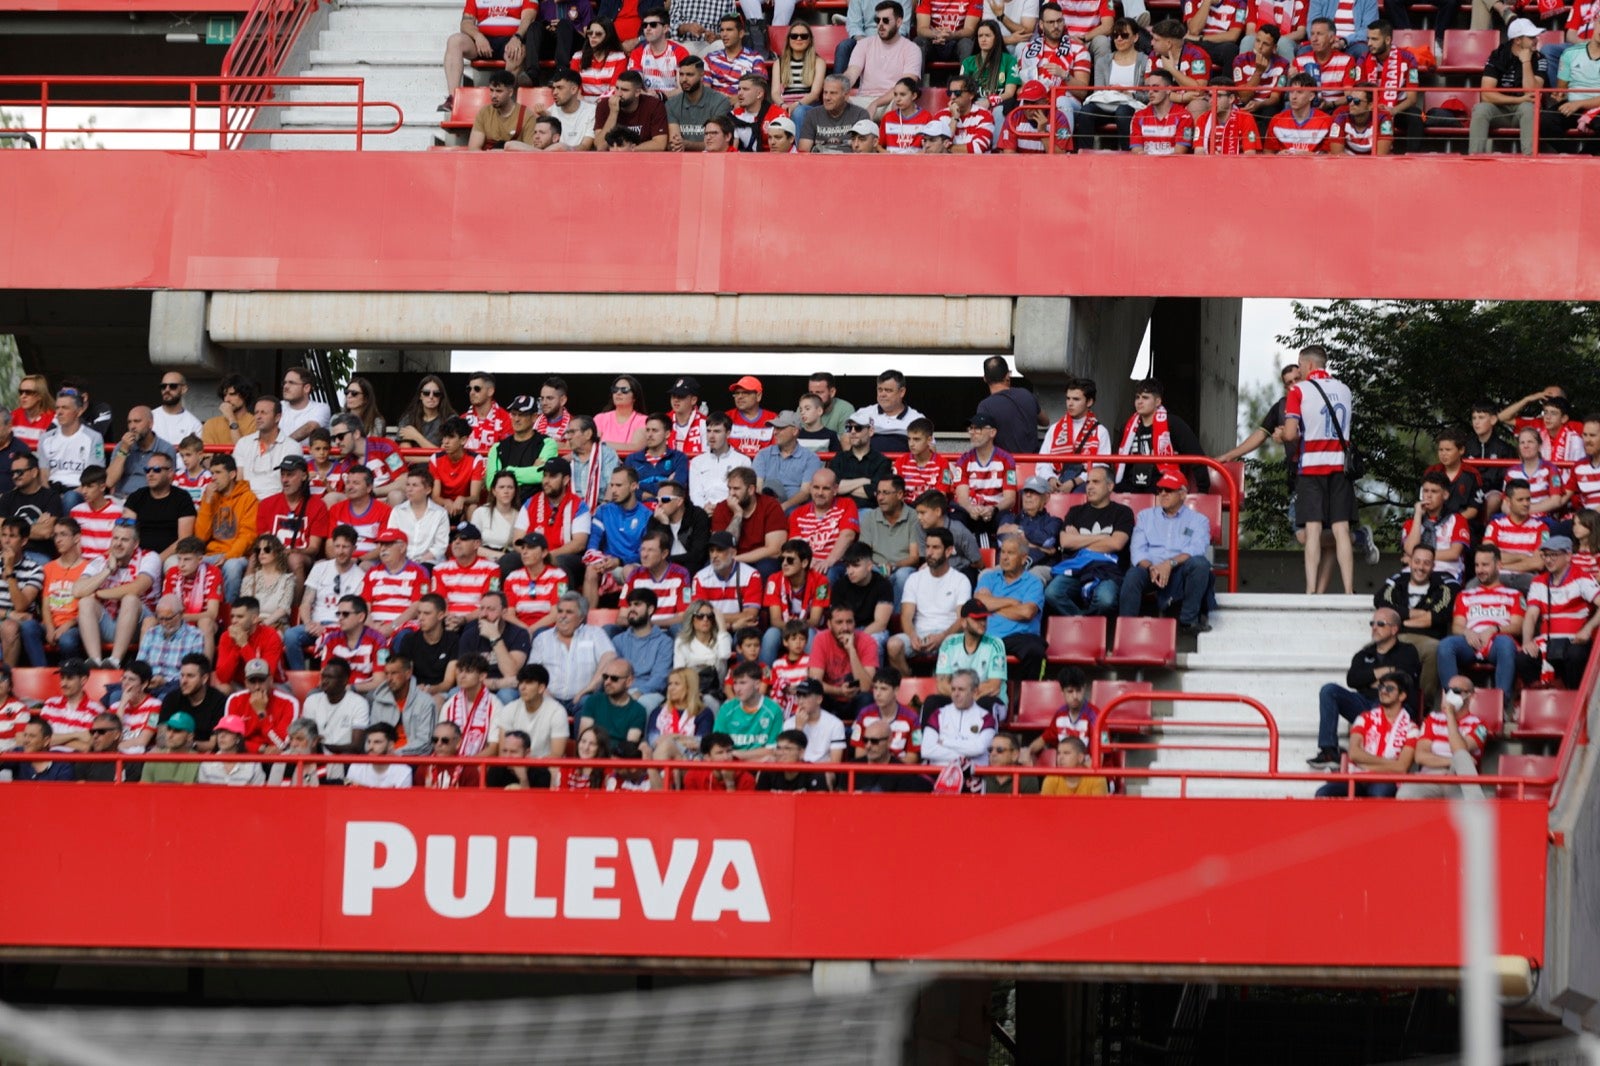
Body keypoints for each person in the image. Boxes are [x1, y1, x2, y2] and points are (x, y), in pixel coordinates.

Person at [1280, 345, 1357, 596]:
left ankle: (1311, 591)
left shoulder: (1298, 390)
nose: (1300, 371)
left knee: (1312, 530)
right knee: (1341, 529)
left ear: (1309, 365)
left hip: (1312, 467)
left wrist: (1283, 435)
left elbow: (1290, 433)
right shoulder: (1344, 389)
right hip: (1340, 466)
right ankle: (1348, 590)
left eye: (1301, 365)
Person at [1308, 606, 1421, 769]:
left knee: (1382, 700)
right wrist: (1386, 671)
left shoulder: (1407, 651)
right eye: (1372, 623)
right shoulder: (1364, 653)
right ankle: (1329, 751)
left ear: (1394, 629)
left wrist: (1370, 680)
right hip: (1364, 703)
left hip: (1394, 706)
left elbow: (1405, 678)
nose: (1374, 627)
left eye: (1380, 624)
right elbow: (1352, 679)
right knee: (1329, 690)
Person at [71, 519, 160, 668]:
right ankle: (95, 660)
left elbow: (137, 588)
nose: (118, 543)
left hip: (140, 624)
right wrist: (107, 570)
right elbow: (77, 590)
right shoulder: (101, 561)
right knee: (85, 602)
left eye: (124, 540)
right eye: (115, 538)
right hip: (110, 623)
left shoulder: (149, 557)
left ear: (135, 544)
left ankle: (115, 661)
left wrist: (98, 594)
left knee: (130, 599)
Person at [1373, 543, 1453, 707]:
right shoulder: (1397, 583)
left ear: (1433, 566)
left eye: (1426, 563)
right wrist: (1418, 614)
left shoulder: (1442, 586)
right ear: (1410, 562)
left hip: (1426, 639)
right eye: (1417, 561)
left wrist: (1401, 618)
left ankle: (1422, 704)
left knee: (1435, 649)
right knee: (1372, 649)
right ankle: (1378, 702)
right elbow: (1381, 603)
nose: (1420, 567)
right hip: (1397, 637)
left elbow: (1439, 616)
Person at [1046, 467, 1133, 618]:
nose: (1090, 486)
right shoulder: (1075, 511)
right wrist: (1103, 538)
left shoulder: (1123, 512)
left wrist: (1079, 539)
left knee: (1105, 600)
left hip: (1107, 572)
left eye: (1096, 482)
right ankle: (1083, 620)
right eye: (1088, 482)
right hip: (1076, 570)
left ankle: (1086, 623)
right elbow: (1065, 541)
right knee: (1052, 593)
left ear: (1110, 486)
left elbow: (1116, 544)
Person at [1314, 672, 1415, 798]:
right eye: (1381, 687)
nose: (1383, 691)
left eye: (1389, 688)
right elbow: (1354, 753)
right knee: (1323, 792)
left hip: (1386, 780)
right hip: (1358, 778)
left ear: (1402, 696)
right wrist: (1389, 763)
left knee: (1379, 793)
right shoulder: (1363, 718)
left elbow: (1401, 767)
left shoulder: (1411, 728)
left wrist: (1366, 764)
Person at [1519, 535, 1600, 690]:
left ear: (1568, 556)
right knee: (1524, 657)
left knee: (1575, 655)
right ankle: (1541, 693)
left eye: (1553, 555)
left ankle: (1573, 694)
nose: (1548, 560)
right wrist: (1527, 642)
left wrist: (1587, 629)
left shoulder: (1582, 578)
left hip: (1575, 640)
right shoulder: (1538, 582)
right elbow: (1531, 615)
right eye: (1545, 555)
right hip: (1548, 641)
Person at [1468, 18, 1554, 156]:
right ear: (1517, 40)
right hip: (1500, 110)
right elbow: (1486, 95)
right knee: (1481, 109)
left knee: (1528, 107)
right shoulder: (1497, 56)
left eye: (1535, 37)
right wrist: (1519, 99)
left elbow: (1532, 93)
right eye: (1531, 37)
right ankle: (1475, 158)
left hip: (1524, 111)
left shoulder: (1540, 58)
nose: (1536, 40)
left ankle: (1530, 158)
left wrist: (1526, 61)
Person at [1397, 676, 1488, 800]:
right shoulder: (1433, 718)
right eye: (1447, 690)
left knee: (1462, 757)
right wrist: (1452, 761)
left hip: (1458, 778)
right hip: (1431, 775)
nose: (1450, 695)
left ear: (1471, 696)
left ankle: (1476, 803)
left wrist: (1450, 714)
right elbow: (1420, 756)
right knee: (1404, 794)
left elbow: (1460, 751)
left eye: (1456, 691)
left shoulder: (1480, 725)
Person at [530, 592, 619, 707]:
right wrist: (546, 696)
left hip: (583, 697)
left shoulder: (595, 634)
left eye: (569, 612)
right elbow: (532, 671)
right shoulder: (542, 638)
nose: (563, 616)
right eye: (560, 611)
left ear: (581, 618)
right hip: (547, 698)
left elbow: (610, 657)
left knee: (589, 703)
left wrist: (589, 688)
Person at [255, 455, 331, 584]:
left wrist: (292, 551)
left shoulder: (318, 506)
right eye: (282, 475)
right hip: (273, 554)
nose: (284, 480)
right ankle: (247, 597)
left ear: (304, 476)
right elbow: (264, 542)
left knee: (294, 559)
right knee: (253, 559)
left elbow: (314, 548)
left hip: (303, 557)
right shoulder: (266, 504)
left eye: (290, 475)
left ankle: (296, 598)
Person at [583, 466, 653, 604]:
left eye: (619, 485)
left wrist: (620, 561)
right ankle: (588, 616)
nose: (613, 490)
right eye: (612, 485)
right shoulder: (603, 511)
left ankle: (629, 614)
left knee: (629, 571)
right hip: (606, 564)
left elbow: (645, 554)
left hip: (631, 565)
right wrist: (598, 560)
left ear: (633, 486)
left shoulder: (647, 516)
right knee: (591, 570)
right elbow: (593, 543)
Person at [194, 453, 258, 603]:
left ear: (232, 474)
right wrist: (207, 502)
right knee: (185, 562)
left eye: (218, 472)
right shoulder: (210, 496)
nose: (213, 478)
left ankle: (230, 611)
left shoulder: (248, 498)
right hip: (211, 553)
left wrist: (229, 556)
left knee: (232, 566)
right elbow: (201, 537)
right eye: (212, 473)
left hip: (238, 555)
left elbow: (247, 535)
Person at [928, 600, 1008, 715]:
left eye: (984, 618)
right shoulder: (949, 644)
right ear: (963, 622)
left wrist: (962, 694)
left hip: (988, 700)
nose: (983, 623)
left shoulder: (996, 644)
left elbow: (993, 686)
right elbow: (942, 685)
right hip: (959, 698)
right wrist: (966, 696)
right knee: (932, 702)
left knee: (985, 703)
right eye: (977, 619)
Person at [758, 537, 830, 663]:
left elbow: (814, 620)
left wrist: (797, 626)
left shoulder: (821, 582)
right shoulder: (774, 579)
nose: (784, 563)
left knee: (810, 634)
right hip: (784, 628)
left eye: (790, 560)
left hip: (809, 629)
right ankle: (765, 673)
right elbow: (775, 620)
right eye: (782, 559)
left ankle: (812, 674)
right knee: (771, 634)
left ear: (804, 563)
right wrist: (791, 627)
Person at [845, 2, 924, 112]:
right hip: (864, 100)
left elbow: (906, 86)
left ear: (899, 22)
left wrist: (876, 103)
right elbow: (851, 73)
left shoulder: (912, 49)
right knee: (839, 101)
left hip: (892, 100)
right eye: (877, 20)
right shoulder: (863, 44)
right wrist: (839, 87)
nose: (880, 24)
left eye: (885, 20)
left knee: (901, 101)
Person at [457, 590, 534, 703]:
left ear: (504, 613)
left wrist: (494, 637)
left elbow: (511, 673)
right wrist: (498, 683)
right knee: (454, 693)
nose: (484, 614)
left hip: (506, 689)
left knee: (506, 695)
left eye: (491, 609)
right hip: (480, 686)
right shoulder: (469, 635)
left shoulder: (519, 634)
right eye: (482, 609)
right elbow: (462, 679)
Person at [713, 466, 787, 578]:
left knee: (767, 567)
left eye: (736, 489)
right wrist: (737, 514)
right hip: (730, 558)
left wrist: (735, 560)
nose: (731, 493)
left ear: (751, 489)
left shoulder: (771, 506)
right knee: (712, 566)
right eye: (729, 488)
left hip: (760, 560)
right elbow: (722, 547)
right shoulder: (722, 508)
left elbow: (775, 550)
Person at [788, 469, 860, 584]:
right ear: (810, 488)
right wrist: (807, 559)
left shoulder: (847, 504)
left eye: (826, 488)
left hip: (836, 565)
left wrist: (829, 561)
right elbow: (795, 545)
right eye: (816, 487)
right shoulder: (797, 513)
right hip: (806, 563)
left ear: (835, 490)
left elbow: (848, 536)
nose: (820, 493)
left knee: (830, 572)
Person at [37, 387, 104, 508]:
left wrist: (66, 496)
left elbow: (93, 476)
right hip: (52, 490)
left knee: (70, 498)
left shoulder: (94, 438)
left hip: (80, 491)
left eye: (65, 408)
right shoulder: (45, 438)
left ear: (79, 411)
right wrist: (52, 496)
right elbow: (43, 476)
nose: (59, 412)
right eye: (57, 408)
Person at [485, 662, 570, 757]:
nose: (522, 687)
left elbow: (556, 755)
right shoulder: (509, 709)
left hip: (545, 765)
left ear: (541, 688)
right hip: (513, 764)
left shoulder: (557, 712)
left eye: (528, 682)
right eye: (521, 682)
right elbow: (503, 752)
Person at [610, 587, 675, 709]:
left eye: (637, 604)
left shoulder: (664, 642)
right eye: (630, 605)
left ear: (650, 610)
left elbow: (660, 678)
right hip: (621, 691)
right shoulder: (618, 641)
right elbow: (613, 673)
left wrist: (639, 692)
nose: (631, 609)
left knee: (639, 706)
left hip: (649, 693)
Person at [1402, 472, 1471, 587]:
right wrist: (1418, 515)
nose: (1428, 496)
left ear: (1445, 495)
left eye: (1434, 491)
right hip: (1415, 573)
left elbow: (1454, 553)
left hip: (1446, 573)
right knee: (1393, 585)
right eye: (1425, 491)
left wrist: (1418, 557)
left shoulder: (1457, 520)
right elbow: (1410, 550)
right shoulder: (1412, 523)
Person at [922, 668, 998, 771]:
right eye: (953, 689)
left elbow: (979, 748)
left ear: (974, 692)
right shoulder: (939, 714)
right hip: (939, 773)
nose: (956, 694)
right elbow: (926, 750)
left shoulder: (986, 717)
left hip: (973, 775)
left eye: (961, 689)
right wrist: (964, 757)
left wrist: (944, 742)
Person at [232, 396, 304, 503]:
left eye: (263, 413)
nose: (258, 417)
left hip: (277, 503)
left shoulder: (292, 446)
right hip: (246, 503)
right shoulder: (243, 443)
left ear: (277, 417)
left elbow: (291, 485)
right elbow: (239, 479)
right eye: (256, 413)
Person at [316, 594, 391, 694]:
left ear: (361, 617)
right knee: (313, 694)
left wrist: (350, 688)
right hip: (336, 693)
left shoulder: (380, 641)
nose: (340, 618)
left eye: (345, 614)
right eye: (338, 614)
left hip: (365, 692)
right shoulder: (331, 639)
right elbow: (325, 676)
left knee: (376, 696)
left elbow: (380, 681)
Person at [364, 656, 438, 757]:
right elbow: (372, 736)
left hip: (414, 758)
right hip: (382, 756)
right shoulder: (378, 701)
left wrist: (397, 754)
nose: (389, 679)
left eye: (394, 673)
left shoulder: (426, 702)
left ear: (408, 674)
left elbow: (426, 743)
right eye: (386, 674)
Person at [222, 657, 297, 753]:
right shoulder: (235, 700)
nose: (257, 687)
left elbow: (281, 745)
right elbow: (230, 741)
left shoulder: (289, 702)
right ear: (245, 683)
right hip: (243, 754)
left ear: (270, 680)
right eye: (252, 681)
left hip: (275, 757)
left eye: (261, 680)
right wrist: (260, 749)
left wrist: (261, 714)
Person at [395, 594, 460, 704]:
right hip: (413, 690)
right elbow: (404, 674)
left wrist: (430, 689)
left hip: (441, 692)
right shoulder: (409, 640)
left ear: (441, 615)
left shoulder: (453, 640)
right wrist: (415, 689)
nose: (420, 618)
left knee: (436, 701)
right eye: (419, 613)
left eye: (427, 613)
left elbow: (448, 682)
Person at [1026, 665, 1099, 762]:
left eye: (1078, 690)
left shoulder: (1095, 716)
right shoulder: (1060, 714)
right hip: (1066, 769)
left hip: (1089, 769)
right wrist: (1028, 751)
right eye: (1070, 691)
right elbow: (1044, 739)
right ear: (1062, 691)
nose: (1075, 696)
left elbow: (1099, 760)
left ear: (1084, 688)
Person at [713, 659, 784, 758]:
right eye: (735, 683)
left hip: (761, 764)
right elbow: (718, 748)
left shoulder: (774, 710)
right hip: (731, 763)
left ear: (757, 684)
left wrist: (741, 755)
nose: (737, 689)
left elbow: (772, 750)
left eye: (742, 683)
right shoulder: (726, 709)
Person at [753, 412, 823, 512]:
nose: (775, 432)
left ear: (794, 431)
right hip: (766, 510)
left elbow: (805, 492)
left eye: (780, 428)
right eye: (775, 428)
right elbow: (757, 488)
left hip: (796, 513)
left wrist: (782, 507)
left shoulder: (811, 458)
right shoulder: (763, 454)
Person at [157, 653, 226, 748]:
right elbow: (161, 738)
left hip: (203, 754)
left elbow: (214, 744)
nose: (183, 681)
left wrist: (188, 745)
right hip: (171, 751)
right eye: (182, 675)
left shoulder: (219, 701)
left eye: (190, 676)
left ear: (204, 678)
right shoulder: (171, 698)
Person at [215, 596, 284, 690]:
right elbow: (223, 678)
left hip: (272, 684)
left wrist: (244, 645)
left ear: (254, 619)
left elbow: (264, 675)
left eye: (240, 617)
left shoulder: (271, 635)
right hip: (241, 685)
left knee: (262, 689)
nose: (234, 621)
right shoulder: (226, 636)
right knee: (222, 689)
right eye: (232, 616)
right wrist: (237, 646)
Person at [302, 657, 366, 758]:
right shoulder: (311, 701)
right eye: (323, 676)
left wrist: (326, 747)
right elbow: (307, 738)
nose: (324, 681)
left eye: (330, 677)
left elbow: (356, 746)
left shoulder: (359, 703)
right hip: (316, 756)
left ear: (344, 681)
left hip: (345, 758)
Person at [689, 412, 753, 513]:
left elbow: (743, 494)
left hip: (731, 511)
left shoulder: (743, 460)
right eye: (708, 431)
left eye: (717, 431)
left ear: (728, 433)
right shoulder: (696, 461)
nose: (711, 436)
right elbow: (695, 493)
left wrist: (721, 508)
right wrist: (703, 508)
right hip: (703, 513)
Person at [667, 55, 734, 149]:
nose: (684, 79)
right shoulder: (671, 104)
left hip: (712, 156)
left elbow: (717, 144)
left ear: (702, 75)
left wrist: (686, 144)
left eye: (690, 75)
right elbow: (675, 141)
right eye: (681, 74)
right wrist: (678, 144)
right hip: (681, 156)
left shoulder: (720, 102)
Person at [0, 517, 42, 668]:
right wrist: (8, 614)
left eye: (12, 536)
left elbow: (21, 606)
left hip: (14, 625)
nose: (6, 541)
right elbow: (15, 613)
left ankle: (5, 678)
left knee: (10, 628)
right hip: (8, 617)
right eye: (3, 535)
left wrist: (9, 571)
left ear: (23, 541)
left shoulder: (35, 570)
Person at [38, 657, 103, 751]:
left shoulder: (96, 709)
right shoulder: (50, 703)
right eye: (62, 678)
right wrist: (77, 735)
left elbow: (87, 746)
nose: (63, 684)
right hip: (48, 758)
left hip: (76, 760)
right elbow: (39, 740)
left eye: (69, 678)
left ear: (83, 680)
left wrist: (53, 740)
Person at [646, 480, 709, 575]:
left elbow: (698, 555)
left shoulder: (697, 516)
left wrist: (669, 561)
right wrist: (664, 525)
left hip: (693, 570)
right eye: (657, 500)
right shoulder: (655, 520)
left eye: (665, 499)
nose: (659, 504)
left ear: (679, 501)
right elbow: (654, 555)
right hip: (663, 573)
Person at [799, 74, 873, 150]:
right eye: (825, 92)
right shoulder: (812, 115)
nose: (827, 98)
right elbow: (804, 150)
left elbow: (863, 150)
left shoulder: (860, 115)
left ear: (846, 96)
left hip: (848, 157)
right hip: (821, 157)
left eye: (833, 93)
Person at [239, 534, 296, 631]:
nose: (261, 553)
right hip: (252, 626)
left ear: (277, 553)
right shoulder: (250, 579)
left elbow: (283, 609)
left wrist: (264, 624)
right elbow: (243, 606)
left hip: (277, 626)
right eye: (258, 550)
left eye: (267, 549)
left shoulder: (287, 579)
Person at [1264, 72, 1334, 151]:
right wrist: (1279, 156)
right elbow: (1268, 153)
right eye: (1291, 92)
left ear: (1311, 96)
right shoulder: (1276, 120)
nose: (1293, 97)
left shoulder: (1326, 121)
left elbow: (1331, 155)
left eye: (1299, 92)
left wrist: (1310, 156)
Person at [1129, 72, 1195, 154]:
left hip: (1173, 162)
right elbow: (1136, 150)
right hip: (1147, 162)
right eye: (1148, 88)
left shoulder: (1185, 117)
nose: (1150, 92)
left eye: (1155, 88)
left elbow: (1179, 152)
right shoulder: (1138, 116)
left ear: (1168, 90)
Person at [629, 8, 691, 94]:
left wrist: (661, 96)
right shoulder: (637, 53)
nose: (648, 28)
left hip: (673, 100)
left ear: (665, 28)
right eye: (644, 25)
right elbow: (633, 86)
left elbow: (682, 89)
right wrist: (648, 97)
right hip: (646, 99)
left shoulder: (680, 52)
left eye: (653, 25)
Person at [396, 374, 456, 451]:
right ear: (420, 396)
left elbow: (446, 454)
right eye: (426, 393)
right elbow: (406, 454)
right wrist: (436, 451)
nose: (431, 396)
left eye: (436, 394)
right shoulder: (408, 419)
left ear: (441, 397)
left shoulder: (451, 420)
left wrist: (416, 436)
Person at [414, 721, 482, 789]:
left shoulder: (468, 769)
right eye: (435, 740)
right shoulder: (424, 766)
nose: (439, 744)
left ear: (458, 743)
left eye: (445, 740)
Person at [345, 723, 414, 789]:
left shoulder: (404, 771)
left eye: (377, 742)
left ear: (390, 745)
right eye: (369, 742)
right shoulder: (355, 766)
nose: (370, 747)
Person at [141, 710, 201, 785]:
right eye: (169, 729)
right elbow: (143, 789)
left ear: (190, 736)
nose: (170, 735)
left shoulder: (197, 761)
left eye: (177, 731)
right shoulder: (153, 759)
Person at [1040, 734, 1110, 795]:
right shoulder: (1051, 778)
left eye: (1066, 753)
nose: (1060, 758)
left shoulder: (1097, 779)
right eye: (1059, 753)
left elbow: (1099, 806)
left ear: (1080, 758)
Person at [10, 374, 53, 451]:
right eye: (21, 392)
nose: (23, 396)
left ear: (40, 395)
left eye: (28, 392)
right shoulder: (12, 417)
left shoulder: (53, 419)